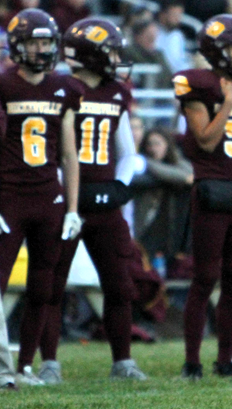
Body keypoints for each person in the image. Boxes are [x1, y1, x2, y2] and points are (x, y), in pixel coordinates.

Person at [33, 17, 147, 383]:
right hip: (66, 202)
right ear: (89, 54)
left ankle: (123, 362)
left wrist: (121, 185)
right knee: (52, 284)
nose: (116, 57)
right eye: (110, 50)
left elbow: (128, 151)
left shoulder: (116, 92)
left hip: (105, 202)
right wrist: (64, 191)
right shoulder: (60, 88)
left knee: (120, 284)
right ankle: (49, 362)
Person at [173, 14, 232, 379]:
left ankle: (225, 360)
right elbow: (207, 141)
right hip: (211, 189)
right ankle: (192, 361)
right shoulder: (196, 84)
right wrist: (229, 103)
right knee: (205, 277)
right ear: (215, 49)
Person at [0, 8, 82, 385]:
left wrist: (73, 207)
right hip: (9, 196)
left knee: (43, 287)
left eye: (47, 41)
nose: (41, 49)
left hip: (49, 196)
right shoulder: (4, 84)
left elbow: (69, 154)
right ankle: (3, 368)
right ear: (17, 45)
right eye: (34, 41)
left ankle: (27, 366)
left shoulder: (64, 87)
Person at [132, 127, 194, 263]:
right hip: (145, 227)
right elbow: (181, 177)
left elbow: (189, 175)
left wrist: (153, 164)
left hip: (170, 228)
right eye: (150, 144)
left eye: (158, 144)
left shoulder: (175, 162)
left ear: (167, 145)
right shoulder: (140, 165)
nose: (153, 148)